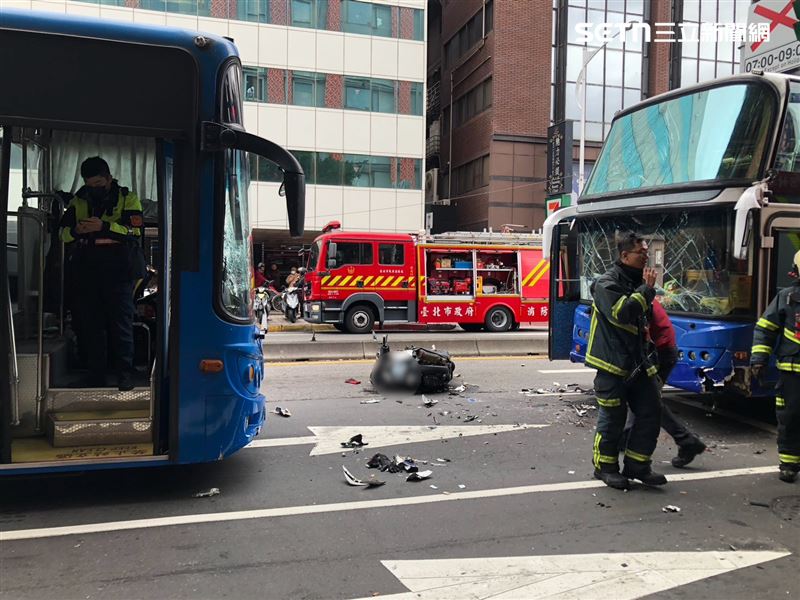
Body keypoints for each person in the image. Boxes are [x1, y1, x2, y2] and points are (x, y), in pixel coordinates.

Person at [587, 231, 666, 489]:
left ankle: (638, 466)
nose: (646, 258)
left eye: (647, 253)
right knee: (613, 418)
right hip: (612, 365)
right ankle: (605, 468)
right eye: (641, 253)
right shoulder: (606, 283)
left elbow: (641, 319)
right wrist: (647, 290)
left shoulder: (636, 282)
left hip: (638, 363)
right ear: (624, 255)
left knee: (651, 411)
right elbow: (622, 312)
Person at [60, 156, 144, 391]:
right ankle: (95, 375)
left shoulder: (127, 197)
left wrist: (103, 227)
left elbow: (135, 232)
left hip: (119, 269)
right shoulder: (79, 200)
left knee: (121, 323)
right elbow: (62, 233)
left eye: (98, 184)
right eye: (90, 185)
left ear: (109, 178)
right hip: (87, 269)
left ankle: (125, 374)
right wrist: (77, 231)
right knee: (91, 325)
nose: (94, 189)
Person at [622, 299, 707, 467]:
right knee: (641, 397)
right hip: (661, 349)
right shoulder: (637, 295)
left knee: (648, 399)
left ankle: (687, 440)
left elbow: (640, 333)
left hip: (658, 352)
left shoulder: (634, 300)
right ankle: (626, 437)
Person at [750, 250, 800, 483]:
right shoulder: (787, 298)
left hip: (791, 369)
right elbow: (765, 328)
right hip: (792, 373)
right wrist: (759, 359)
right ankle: (789, 464)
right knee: (790, 418)